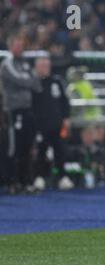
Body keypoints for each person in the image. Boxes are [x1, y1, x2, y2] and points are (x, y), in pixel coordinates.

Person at [0, 35, 41, 194]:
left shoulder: (25, 63)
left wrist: (28, 79)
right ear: (10, 47)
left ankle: (26, 182)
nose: (19, 48)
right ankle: (12, 182)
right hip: (13, 110)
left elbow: (37, 85)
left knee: (27, 146)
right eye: (16, 45)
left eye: (21, 45)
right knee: (13, 148)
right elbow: (22, 81)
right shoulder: (7, 64)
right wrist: (28, 79)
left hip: (27, 110)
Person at [32, 56, 74, 191]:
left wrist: (66, 118)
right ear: (36, 67)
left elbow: (64, 101)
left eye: (47, 65)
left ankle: (63, 177)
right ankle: (39, 177)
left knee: (60, 151)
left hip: (57, 123)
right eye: (42, 66)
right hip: (40, 124)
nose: (45, 68)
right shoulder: (33, 83)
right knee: (41, 152)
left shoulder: (56, 81)